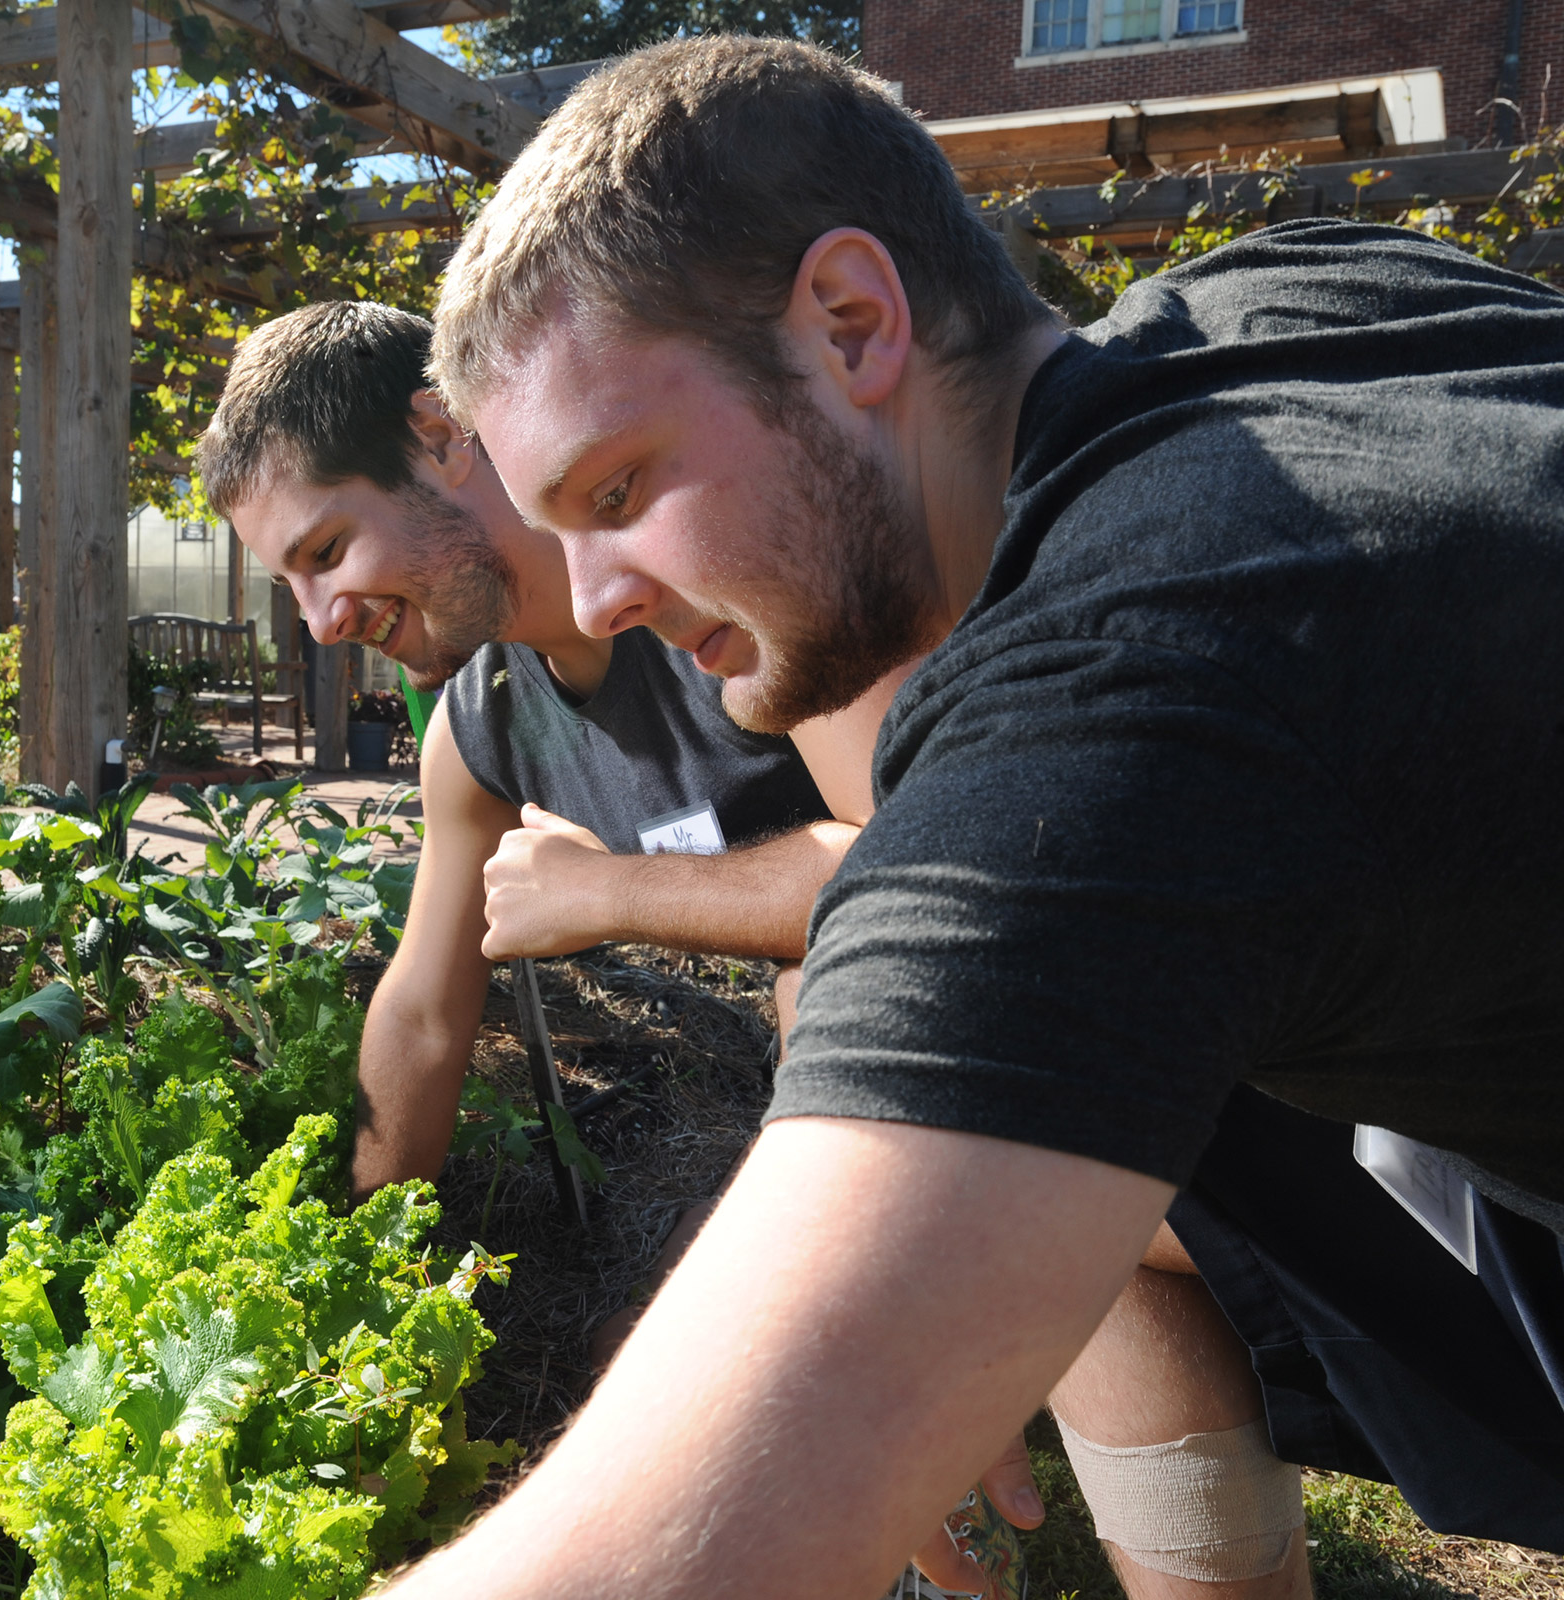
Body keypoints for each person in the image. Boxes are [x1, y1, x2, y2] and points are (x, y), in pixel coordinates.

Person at [378, 33, 1564, 1600]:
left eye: (618, 490)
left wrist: (872, 1346)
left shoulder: (1132, 688)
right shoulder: (1301, 300)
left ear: (852, 323)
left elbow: (644, 1563)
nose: (596, 594)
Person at [191, 300, 892, 1198]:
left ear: (440, 436)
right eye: (290, 585)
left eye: (327, 550)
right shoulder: (477, 728)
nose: (322, 623)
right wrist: (360, 1260)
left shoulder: (713, 579)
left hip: (1042, 1006)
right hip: (883, 1116)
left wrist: (602, 891)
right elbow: (423, 1018)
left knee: (827, 984)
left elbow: (913, 871)